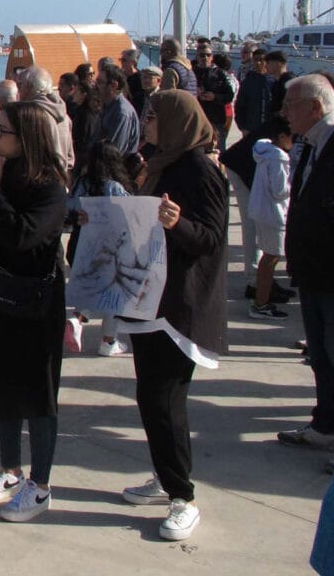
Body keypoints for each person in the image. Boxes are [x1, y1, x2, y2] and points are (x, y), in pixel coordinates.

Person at [119, 90, 227, 542]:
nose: (146, 123)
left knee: (166, 400)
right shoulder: (161, 163)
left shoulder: (200, 169)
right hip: (151, 298)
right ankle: (166, 477)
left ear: (177, 121)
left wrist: (176, 223)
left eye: (153, 116)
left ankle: (184, 496)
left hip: (180, 304)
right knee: (150, 397)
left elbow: (212, 237)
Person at [0, 101, 68, 523]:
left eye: (0, 131)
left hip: (35, 304)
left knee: (38, 395)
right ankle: (10, 469)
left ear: (26, 139)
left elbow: (22, 236)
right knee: (1, 387)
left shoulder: (50, 187)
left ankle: (40, 485)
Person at [276, 76, 334, 455]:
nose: (285, 113)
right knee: (321, 356)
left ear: (316, 107)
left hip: (330, 272)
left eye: (291, 105)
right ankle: (325, 426)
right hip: (313, 271)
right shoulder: (312, 144)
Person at [65, 141, 135, 356]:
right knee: (113, 295)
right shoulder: (115, 187)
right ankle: (108, 341)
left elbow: (69, 207)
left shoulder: (81, 184)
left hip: (80, 246)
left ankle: (77, 319)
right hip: (109, 250)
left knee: (91, 289)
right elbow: (131, 211)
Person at [248, 118, 294, 319]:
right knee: (271, 258)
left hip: (261, 211)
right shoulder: (279, 157)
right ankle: (261, 304)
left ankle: (261, 300)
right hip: (273, 213)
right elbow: (280, 191)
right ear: (282, 136)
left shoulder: (264, 150)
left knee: (268, 257)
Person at [16, 66, 75, 172]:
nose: (18, 90)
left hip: (38, 176)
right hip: (61, 176)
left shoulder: (29, 116)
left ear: (29, 86)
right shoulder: (65, 116)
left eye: (20, 85)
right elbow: (70, 157)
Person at [92, 65, 140, 161]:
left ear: (114, 85)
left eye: (100, 82)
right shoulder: (107, 106)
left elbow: (114, 151)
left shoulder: (122, 112)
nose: (95, 86)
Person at [195, 49, 235, 150]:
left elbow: (229, 95)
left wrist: (214, 96)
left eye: (208, 55)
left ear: (212, 57)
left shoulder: (220, 74)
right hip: (197, 120)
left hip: (216, 119)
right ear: (197, 57)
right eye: (202, 55)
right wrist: (196, 93)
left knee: (218, 150)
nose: (205, 58)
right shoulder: (192, 73)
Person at [234, 46, 272, 136]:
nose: (258, 63)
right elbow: (239, 106)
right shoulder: (248, 81)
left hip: (270, 129)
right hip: (251, 129)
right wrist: (242, 127)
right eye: (256, 60)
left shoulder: (273, 80)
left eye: (261, 60)